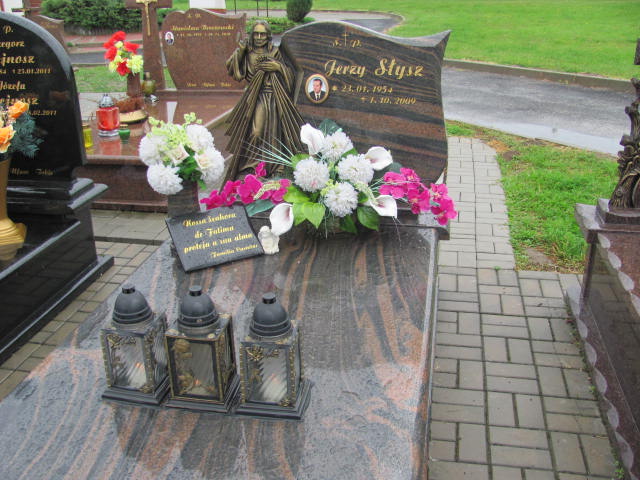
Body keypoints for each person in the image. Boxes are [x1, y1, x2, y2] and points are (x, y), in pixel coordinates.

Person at [225, 21, 304, 178]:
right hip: (256, 97)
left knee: (275, 133)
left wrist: (278, 67)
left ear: (268, 36)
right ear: (252, 35)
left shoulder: (275, 52)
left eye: (263, 34)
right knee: (256, 132)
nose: (259, 37)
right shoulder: (246, 52)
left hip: (275, 97)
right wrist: (241, 51)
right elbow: (234, 72)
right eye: (256, 34)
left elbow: (291, 75)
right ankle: (251, 166)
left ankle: (272, 167)